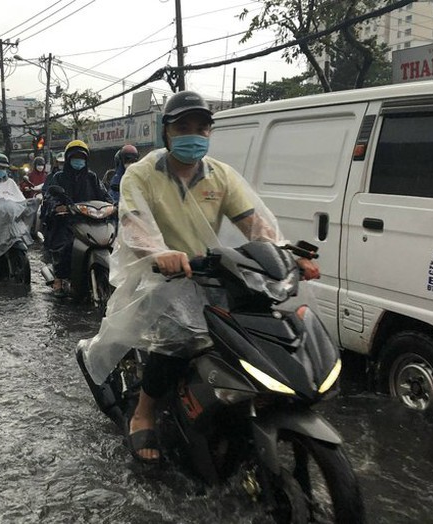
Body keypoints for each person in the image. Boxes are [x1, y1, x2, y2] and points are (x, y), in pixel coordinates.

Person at [78, 91, 320, 464]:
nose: (194, 135)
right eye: (183, 127)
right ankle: (143, 412)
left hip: (210, 272)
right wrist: (160, 254)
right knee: (176, 339)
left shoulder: (221, 176)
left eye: (201, 128)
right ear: (167, 133)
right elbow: (134, 224)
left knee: (252, 331)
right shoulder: (141, 174)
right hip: (157, 275)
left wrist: (286, 253)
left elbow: (255, 223)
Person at [43, 140, 111, 297]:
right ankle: (59, 280)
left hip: (91, 220)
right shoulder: (59, 177)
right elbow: (50, 197)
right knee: (66, 245)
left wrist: (113, 205)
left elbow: (104, 194)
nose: (78, 160)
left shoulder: (92, 177)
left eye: (81, 157)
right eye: (75, 157)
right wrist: (57, 207)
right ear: (68, 159)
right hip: (67, 221)